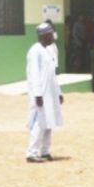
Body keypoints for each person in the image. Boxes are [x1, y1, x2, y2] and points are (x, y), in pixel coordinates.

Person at [26, 22, 64, 163]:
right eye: (50, 35)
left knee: (49, 123)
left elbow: (52, 74)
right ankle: (31, 152)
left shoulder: (48, 50)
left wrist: (58, 92)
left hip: (50, 94)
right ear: (44, 36)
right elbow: (34, 74)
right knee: (39, 123)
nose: (53, 37)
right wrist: (37, 94)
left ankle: (45, 151)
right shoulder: (35, 51)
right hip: (41, 94)